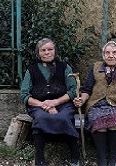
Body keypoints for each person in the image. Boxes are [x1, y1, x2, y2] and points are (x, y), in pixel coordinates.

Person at [73, 41, 116, 166]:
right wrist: (82, 100)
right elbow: (87, 89)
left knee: (115, 120)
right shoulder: (96, 67)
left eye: (114, 52)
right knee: (98, 120)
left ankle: (113, 158)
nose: (111, 55)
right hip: (97, 104)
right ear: (103, 55)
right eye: (107, 53)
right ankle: (102, 159)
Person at [20, 38, 81, 166]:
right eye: (43, 50)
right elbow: (24, 95)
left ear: (55, 51)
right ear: (38, 53)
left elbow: (72, 91)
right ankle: (40, 159)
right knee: (41, 117)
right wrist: (44, 105)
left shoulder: (65, 67)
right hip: (38, 105)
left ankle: (75, 156)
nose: (47, 53)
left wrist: (55, 102)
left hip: (63, 104)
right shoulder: (31, 70)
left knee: (64, 117)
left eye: (50, 49)